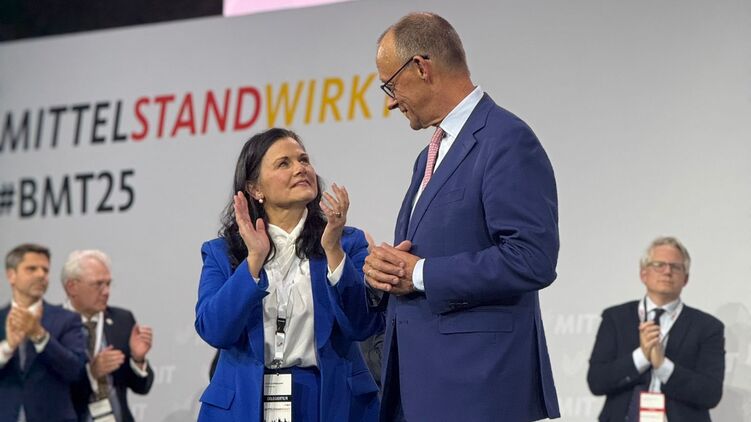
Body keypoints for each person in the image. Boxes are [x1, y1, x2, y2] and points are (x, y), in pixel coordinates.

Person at [364, 12, 561, 422]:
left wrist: (420, 274)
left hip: (477, 388)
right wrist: (387, 271)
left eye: (390, 85)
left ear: (421, 67)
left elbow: (532, 258)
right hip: (423, 388)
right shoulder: (429, 155)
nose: (391, 101)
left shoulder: (506, 139)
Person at [194, 128, 383, 421]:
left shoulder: (347, 242)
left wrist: (333, 251)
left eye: (303, 160)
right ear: (255, 189)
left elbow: (362, 325)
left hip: (328, 400)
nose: (300, 168)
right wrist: (253, 261)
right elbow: (215, 330)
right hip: (245, 403)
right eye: (284, 163)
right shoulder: (222, 251)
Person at [587, 236, 725, 421]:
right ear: (643, 274)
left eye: (675, 267)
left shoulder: (708, 327)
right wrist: (642, 357)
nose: (667, 271)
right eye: (659, 265)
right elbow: (596, 381)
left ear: (686, 278)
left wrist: (662, 366)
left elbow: (711, 393)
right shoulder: (615, 318)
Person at [61, 249, 154, 422]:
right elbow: (48, 393)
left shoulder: (122, 320)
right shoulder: (52, 327)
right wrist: (91, 374)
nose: (106, 292)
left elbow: (142, 387)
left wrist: (138, 359)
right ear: (72, 287)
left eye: (108, 284)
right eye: (98, 284)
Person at [0, 243, 87, 422]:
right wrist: (8, 347)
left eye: (45, 270)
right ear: (11, 275)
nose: (41, 275)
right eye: (31, 269)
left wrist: (40, 336)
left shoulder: (67, 319)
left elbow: (75, 370)